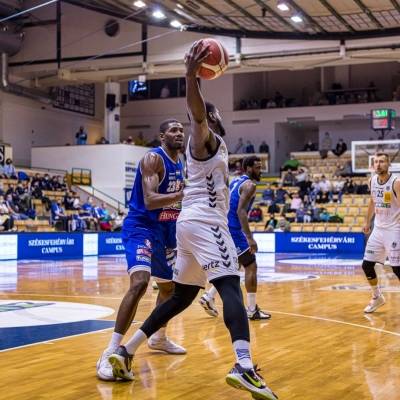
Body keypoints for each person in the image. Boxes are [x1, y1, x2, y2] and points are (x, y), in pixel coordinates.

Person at [108, 40, 277, 400]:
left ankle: (126, 350)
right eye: (213, 114)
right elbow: (197, 114)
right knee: (230, 285)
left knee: (181, 296)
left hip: (187, 224)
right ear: (210, 118)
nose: (213, 118)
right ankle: (244, 365)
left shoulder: (213, 147)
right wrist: (190, 76)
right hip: (206, 224)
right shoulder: (204, 140)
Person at [96, 119, 186, 382]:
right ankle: (111, 350)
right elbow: (150, 200)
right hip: (141, 227)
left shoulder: (181, 162)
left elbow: (173, 205)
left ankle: (158, 337)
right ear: (162, 136)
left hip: (166, 230)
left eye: (182, 130)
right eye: (173, 130)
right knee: (140, 283)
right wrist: (185, 194)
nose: (179, 133)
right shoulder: (153, 159)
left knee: (169, 289)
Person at [199, 156, 271, 320]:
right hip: (234, 229)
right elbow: (241, 211)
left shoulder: (236, 181)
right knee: (251, 265)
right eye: (257, 167)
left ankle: (209, 296)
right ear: (249, 168)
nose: (260, 171)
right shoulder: (250, 185)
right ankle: (252, 310)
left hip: (225, 226)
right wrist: (249, 238)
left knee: (235, 264)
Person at [361, 153, 400, 313]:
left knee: (397, 269)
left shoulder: (396, 182)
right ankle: (377, 297)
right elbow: (372, 201)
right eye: (376, 162)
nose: (378, 164)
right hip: (378, 229)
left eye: (382, 161)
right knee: (367, 265)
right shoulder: (372, 181)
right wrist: (366, 221)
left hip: (394, 229)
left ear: (388, 164)